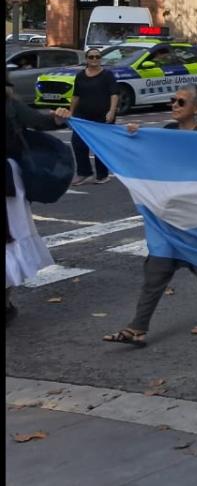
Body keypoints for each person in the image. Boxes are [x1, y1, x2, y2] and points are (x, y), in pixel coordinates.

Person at [102, 85, 197, 346]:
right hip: (166, 218)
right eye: (172, 100)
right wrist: (133, 136)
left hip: (196, 219)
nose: (174, 105)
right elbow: (144, 155)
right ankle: (138, 327)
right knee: (156, 270)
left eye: (180, 101)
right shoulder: (166, 134)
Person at [6, 82, 71, 325]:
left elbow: (39, 121)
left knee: (9, 241)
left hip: (6, 183)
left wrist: (58, 117)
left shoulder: (9, 103)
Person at [69, 48, 119, 185]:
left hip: (102, 116)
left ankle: (102, 175)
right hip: (82, 116)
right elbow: (76, 96)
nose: (95, 59)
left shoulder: (108, 75)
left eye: (97, 57)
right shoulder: (80, 76)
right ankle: (84, 173)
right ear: (86, 59)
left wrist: (112, 111)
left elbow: (114, 94)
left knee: (100, 146)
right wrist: (71, 113)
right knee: (78, 143)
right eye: (91, 57)